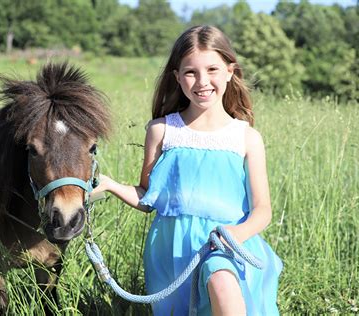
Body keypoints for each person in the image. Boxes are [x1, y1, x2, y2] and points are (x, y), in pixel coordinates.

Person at [92, 25, 282, 315]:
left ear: (231, 71)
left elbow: (262, 210)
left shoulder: (246, 138)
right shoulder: (162, 131)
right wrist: (110, 185)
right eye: (191, 72)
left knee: (223, 286)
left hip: (226, 242)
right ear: (177, 77)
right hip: (172, 250)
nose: (202, 81)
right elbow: (147, 197)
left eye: (212, 69)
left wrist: (235, 235)